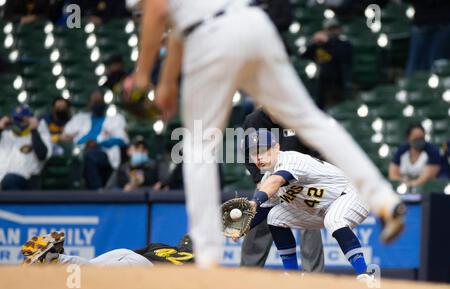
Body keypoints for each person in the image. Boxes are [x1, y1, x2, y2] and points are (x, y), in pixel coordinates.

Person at [130, 0, 405, 268]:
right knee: (311, 120)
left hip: (211, 37)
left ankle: (207, 255)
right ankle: (384, 199)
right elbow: (180, 28)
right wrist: (167, 83)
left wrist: (143, 77)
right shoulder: (256, 121)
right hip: (255, 23)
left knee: (198, 146)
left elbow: (157, 8)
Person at [241, 129, 372, 283]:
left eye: (263, 150)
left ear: (277, 148)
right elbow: (262, 211)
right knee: (274, 216)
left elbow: (276, 182)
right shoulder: (268, 178)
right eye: (253, 153)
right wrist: (242, 227)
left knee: (334, 220)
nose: (259, 157)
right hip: (321, 209)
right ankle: (292, 276)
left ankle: (365, 275)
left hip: (351, 195)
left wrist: (255, 201)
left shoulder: (291, 160)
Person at [241, 108, 324, 272]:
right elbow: (247, 153)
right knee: (257, 221)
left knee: (310, 226)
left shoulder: (301, 117)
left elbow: (318, 151)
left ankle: (313, 277)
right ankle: (248, 274)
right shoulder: (254, 120)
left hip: (302, 179)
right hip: (268, 178)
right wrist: (258, 179)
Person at [62, 89, 128, 190]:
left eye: (99, 101)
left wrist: (99, 143)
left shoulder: (115, 119)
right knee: (79, 159)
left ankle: (97, 191)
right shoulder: (81, 118)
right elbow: (65, 135)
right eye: (94, 102)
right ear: (89, 104)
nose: (97, 104)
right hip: (82, 151)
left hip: (105, 152)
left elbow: (122, 140)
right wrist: (86, 142)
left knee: (89, 157)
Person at [22, 231, 194, 266]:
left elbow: (132, 253)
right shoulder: (196, 263)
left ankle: (57, 258)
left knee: (89, 268)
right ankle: (57, 259)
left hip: (125, 253)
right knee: (92, 275)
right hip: (143, 267)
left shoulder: (160, 246)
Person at [301, 18, 353, 109]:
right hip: (320, 82)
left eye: (335, 29)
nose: (333, 32)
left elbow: (341, 56)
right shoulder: (318, 44)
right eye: (330, 29)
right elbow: (304, 56)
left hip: (338, 81)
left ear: (339, 30)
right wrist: (313, 42)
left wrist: (327, 43)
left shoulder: (344, 44)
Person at [0, 105, 52, 190]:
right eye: (16, 119)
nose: (19, 122)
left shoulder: (39, 134)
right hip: (2, 181)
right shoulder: (5, 135)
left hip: (26, 181)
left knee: (9, 179)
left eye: (22, 119)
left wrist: (34, 130)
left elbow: (43, 155)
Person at [389, 123, 442, 189]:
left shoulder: (432, 151)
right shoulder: (401, 151)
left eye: (421, 137)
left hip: (426, 188)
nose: (419, 140)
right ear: (408, 138)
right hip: (403, 187)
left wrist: (411, 184)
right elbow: (393, 174)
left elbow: (428, 176)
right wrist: (402, 182)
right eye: (415, 138)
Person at [405, 0, 450, 77]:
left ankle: (411, 86)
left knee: (416, 63)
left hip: (424, 21)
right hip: (442, 21)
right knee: (437, 64)